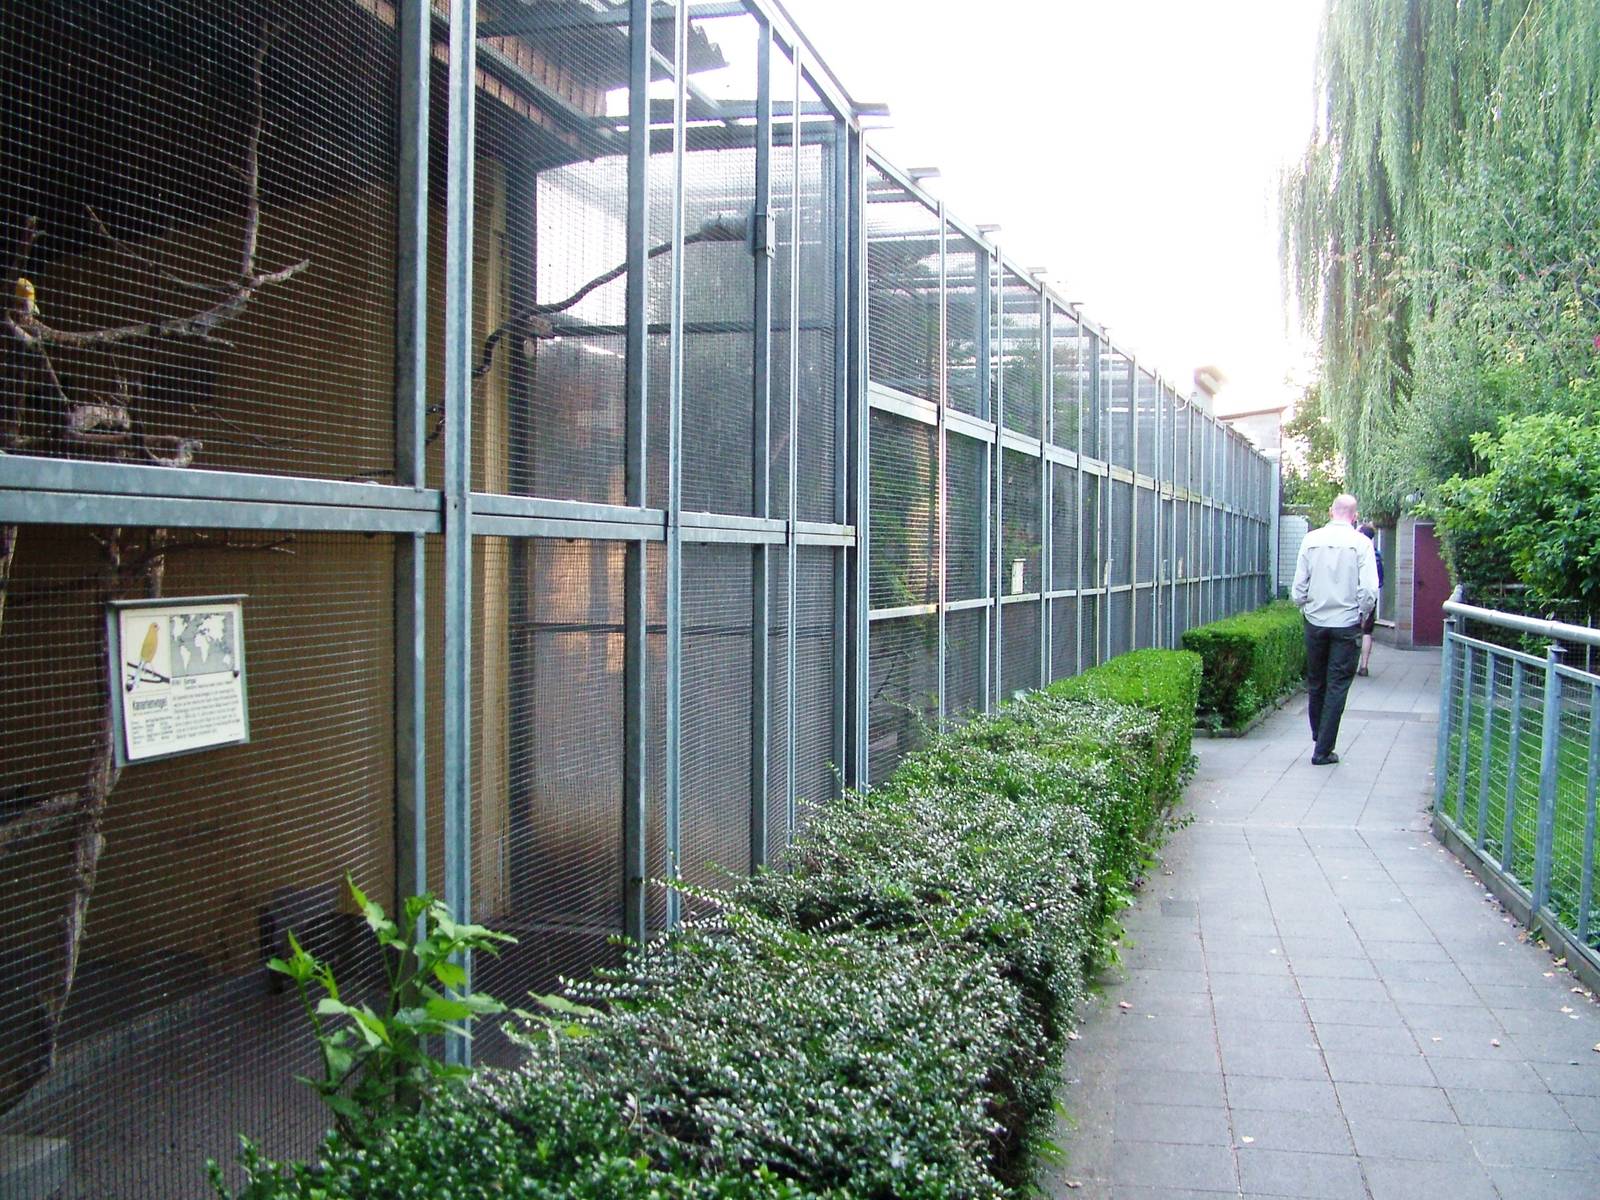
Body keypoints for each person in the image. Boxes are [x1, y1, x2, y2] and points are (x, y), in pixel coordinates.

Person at [1291, 494, 1379, 765]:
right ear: (1354, 516)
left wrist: (1305, 605)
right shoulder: (1361, 543)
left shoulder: (1311, 540)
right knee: (1337, 685)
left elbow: (1298, 588)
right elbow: (1369, 589)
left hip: (1315, 621)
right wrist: (1361, 613)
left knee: (1316, 682)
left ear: (1331, 512)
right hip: (1346, 623)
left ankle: (1319, 734)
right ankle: (1323, 749)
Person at [1356, 522, 1384, 676]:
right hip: (1371, 597)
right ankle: (1364, 666)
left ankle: (1349, 664)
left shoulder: (1358, 553)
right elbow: (1380, 581)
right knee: (1367, 632)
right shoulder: (1377, 555)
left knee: (1351, 630)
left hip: (1355, 596)